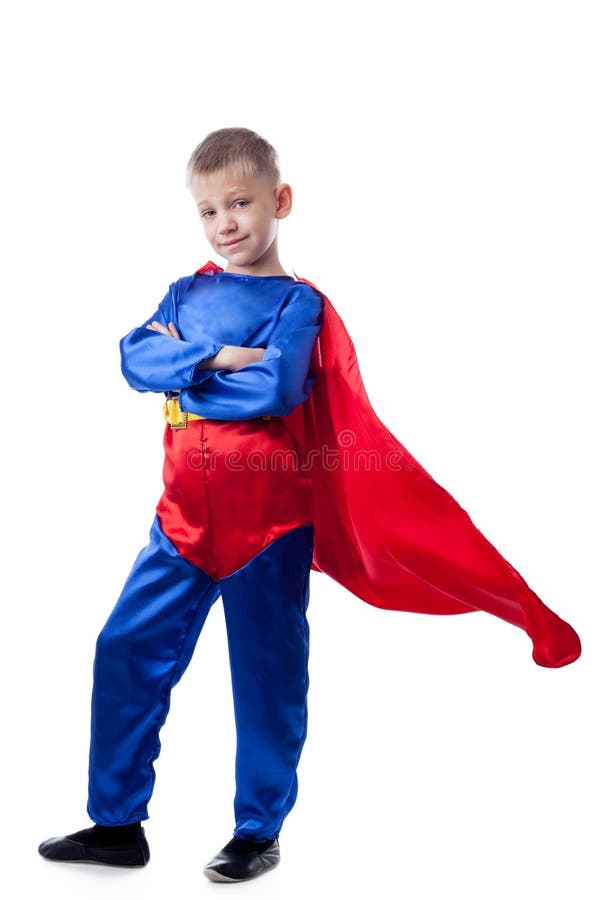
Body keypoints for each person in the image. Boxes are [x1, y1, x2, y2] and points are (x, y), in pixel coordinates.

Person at [38, 127, 581, 884]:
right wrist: (219, 357)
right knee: (123, 650)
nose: (225, 224)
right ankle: (116, 823)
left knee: (266, 679)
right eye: (208, 211)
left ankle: (257, 829)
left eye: (239, 203)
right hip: (180, 528)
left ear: (279, 201)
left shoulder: (300, 307)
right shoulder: (184, 293)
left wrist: (183, 368)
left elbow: (278, 387)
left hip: (268, 527)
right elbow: (133, 356)